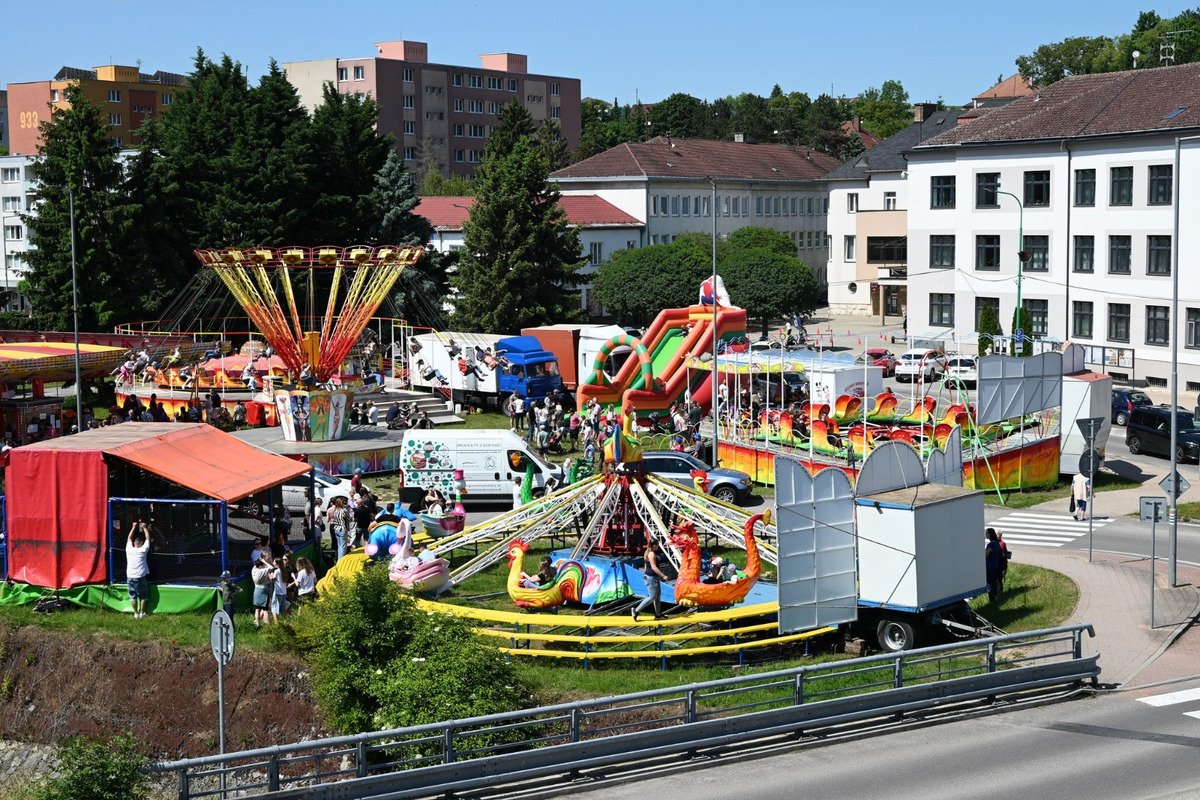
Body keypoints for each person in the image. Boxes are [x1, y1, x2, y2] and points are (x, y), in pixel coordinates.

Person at [632, 540, 670, 622]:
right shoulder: (651, 554)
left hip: (653, 577)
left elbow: (646, 566)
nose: (658, 547)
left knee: (657, 595)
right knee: (652, 596)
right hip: (651, 578)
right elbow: (654, 567)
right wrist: (663, 575)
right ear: (654, 545)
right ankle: (636, 611)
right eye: (657, 545)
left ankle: (658, 614)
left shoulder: (648, 552)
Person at [126, 521, 152, 619]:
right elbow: (148, 538)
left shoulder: (129, 550)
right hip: (140, 576)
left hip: (130, 576)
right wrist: (145, 527)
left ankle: (136, 613)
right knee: (143, 595)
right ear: (141, 543)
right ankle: (142, 613)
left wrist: (133, 527)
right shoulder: (143, 550)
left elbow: (129, 538)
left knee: (132, 595)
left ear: (134, 543)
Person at [251, 556, 274, 628]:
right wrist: (264, 561)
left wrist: (260, 561)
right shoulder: (262, 571)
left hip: (256, 590)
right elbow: (271, 567)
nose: (264, 566)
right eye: (263, 565)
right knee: (265, 610)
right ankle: (268, 626)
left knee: (257, 609)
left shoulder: (253, 569)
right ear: (261, 566)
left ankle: (258, 624)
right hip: (263, 590)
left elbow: (256, 564)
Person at [984, 529, 1003, 602]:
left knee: (990, 583)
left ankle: (992, 600)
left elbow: (985, 556)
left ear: (990, 534)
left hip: (989, 567)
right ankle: (994, 598)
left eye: (987, 533)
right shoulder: (996, 543)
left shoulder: (990, 545)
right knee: (994, 583)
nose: (986, 534)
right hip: (995, 566)